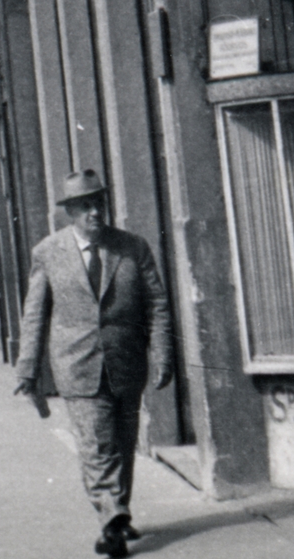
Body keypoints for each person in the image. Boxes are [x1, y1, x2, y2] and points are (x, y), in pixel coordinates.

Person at [15, 169, 173, 559]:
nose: (94, 213)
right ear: (70, 211)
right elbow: (34, 315)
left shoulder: (132, 248)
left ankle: (119, 513)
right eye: (85, 206)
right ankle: (111, 518)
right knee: (96, 445)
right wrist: (27, 370)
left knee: (122, 443)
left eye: (99, 203)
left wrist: (163, 353)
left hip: (127, 364)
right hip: (77, 366)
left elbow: (157, 304)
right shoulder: (48, 253)